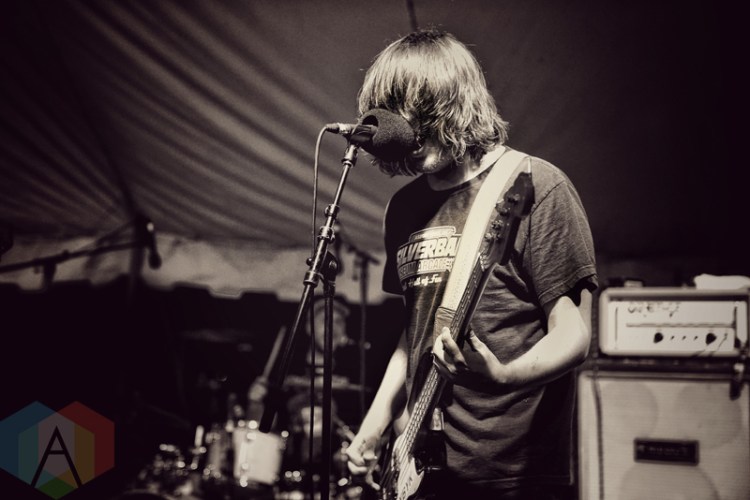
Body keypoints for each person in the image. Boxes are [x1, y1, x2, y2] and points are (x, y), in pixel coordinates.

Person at [345, 29, 598, 499]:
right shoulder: (403, 208)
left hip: (511, 473)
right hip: (421, 463)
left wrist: (502, 375)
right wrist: (375, 425)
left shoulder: (537, 185)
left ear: (452, 102)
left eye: (418, 113)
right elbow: (414, 335)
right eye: (395, 117)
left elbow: (574, 334)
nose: (407, 133)